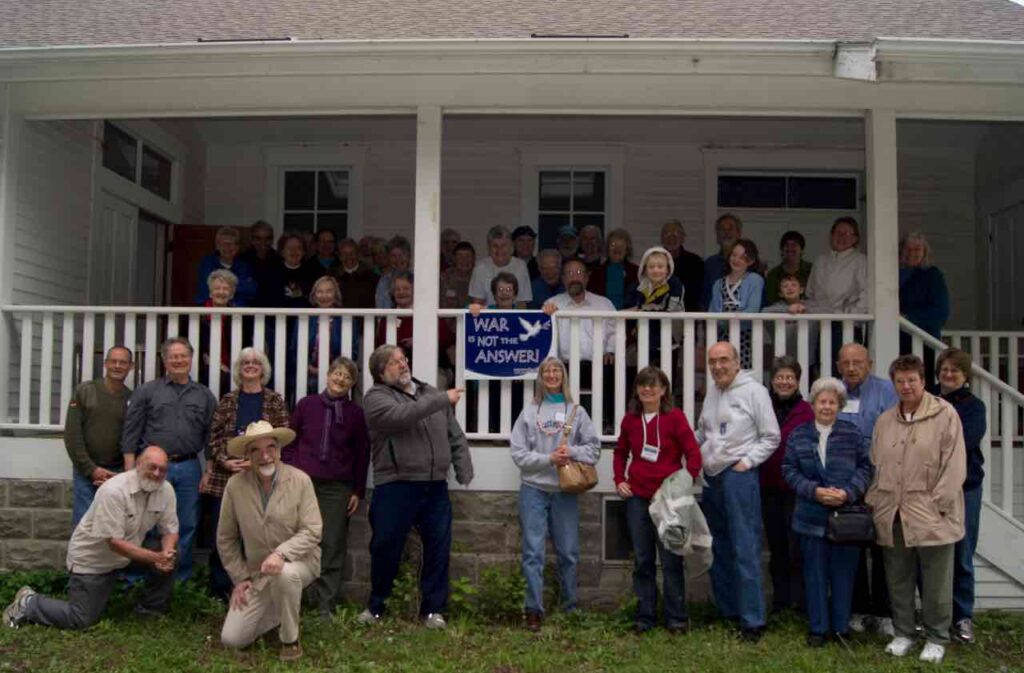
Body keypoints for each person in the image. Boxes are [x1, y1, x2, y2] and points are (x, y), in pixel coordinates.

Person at [357, 345, 473, 628]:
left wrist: (463, 467)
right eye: (394, 362)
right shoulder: (376, 397)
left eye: (403, 359)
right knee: (386, 547)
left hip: (434, 485)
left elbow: (454, 434)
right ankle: (377, 607)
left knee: (438, 548)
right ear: (381, 372)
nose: (402, 364)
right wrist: (442, 399)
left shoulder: (429, 392)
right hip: (396, 486)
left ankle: (433, 610)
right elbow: (403, 416)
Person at [3, 446, 177, 630]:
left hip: (128, 555)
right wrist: (157, 558)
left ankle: (150, 610)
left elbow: (170, 530)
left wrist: (167, 553)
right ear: (139, 464)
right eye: (152, 467)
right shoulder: (114, 491)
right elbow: (114, 543)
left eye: (163, 469)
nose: (157, 473)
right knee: (80, 619)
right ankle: (28, 602)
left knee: (171, 552)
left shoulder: (166, 490)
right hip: (93, 561)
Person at [866, 355, 966, 664]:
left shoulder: (945, 415)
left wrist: (939, 505)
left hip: (932, 514)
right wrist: (875, 501)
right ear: (894, 384)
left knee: (936, 581)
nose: (906, 386)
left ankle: (937, 637)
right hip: (893, 513)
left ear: (923, 381)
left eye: (912, 380)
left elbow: (954, 466)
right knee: (898, 577)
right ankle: (904, 632)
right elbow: (875, 464)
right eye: (900, 381)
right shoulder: (885, 420)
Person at [218, 421, 323, 662]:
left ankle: (290, 641)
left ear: (279, 450)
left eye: (271, 448)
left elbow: (312, 530)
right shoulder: (235, 486)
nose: (265, 456)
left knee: (285, 575)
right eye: (255, 450)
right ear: (247, 454)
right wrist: (240, 577)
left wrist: (282, 553)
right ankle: (281, 607)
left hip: (300, 562)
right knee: (232, 639)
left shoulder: (300, 480)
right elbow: (226, 538)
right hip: (258, 573)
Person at [509, 357, 601, 631]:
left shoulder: (577, 411)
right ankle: (533, 610)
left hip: (565, 491)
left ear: (563, 376)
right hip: (533, 490)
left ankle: (569, 607)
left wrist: (570, 452)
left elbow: (593, 450)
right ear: (540, 377)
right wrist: (549, 459)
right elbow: (518, 454)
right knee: (532, 553)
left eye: (556, 370)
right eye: (546, 371)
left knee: (569, 552)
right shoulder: (528, 413)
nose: (551, 375)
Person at [697, 342, 780, 641]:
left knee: (745, 546)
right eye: (712, 362)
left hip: (738, 476)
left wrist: (747, 462)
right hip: (712, 478)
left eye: (723, 360)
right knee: (719, 546)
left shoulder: (754, 391)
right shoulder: (713, 392)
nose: (717, 367)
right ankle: (729, 610)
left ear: (736, 362)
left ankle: (753, 620)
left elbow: (771, 436)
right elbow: (704, 431)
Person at [782, 377, 873, 646]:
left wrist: (848, 492)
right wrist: (815, 491)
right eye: (822, 401)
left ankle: (841, 627)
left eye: (832, 402)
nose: (827, 406)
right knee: (815, 574)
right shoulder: (799, 434)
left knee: (844, 575)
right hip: (811, 516)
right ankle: (818, 629)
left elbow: (866, 468)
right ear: (813, 404)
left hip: (845, 518)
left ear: (840, 405)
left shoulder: (852, 433)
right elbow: (788, 469)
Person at [121, 337, 217, 581]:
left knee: (185, 525)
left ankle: (178, 580)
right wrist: (130, 470)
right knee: (144, 524)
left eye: (183, 356)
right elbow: (131, 430)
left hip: (188, 468)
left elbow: (211, 437)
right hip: (152, 469)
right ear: (164, 360)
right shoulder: (147, 391)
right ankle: (139, 580)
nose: (179, 361)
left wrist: (208, 470)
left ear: (191, 359)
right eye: (173, 356)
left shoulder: (204, 395)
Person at [614, 366, 702, 634]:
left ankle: (676, 619)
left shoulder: (675, 418)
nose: (647, 389)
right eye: (643, 385)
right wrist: (619, 479)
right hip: (638, 497)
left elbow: (693, 454)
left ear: (664, 391)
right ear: (637, 390)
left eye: (653, 385)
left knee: (671, 558)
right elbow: (620, 453)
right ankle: (645, 617)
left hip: (668, 499)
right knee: (642, 559)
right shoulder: (630, 420)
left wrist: (686, 483)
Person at [286, 357, 370, 620]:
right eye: (337, 373)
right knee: (298, 540)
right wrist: (289, 472)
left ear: (352, 383)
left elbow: (361, 453)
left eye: (346, 376)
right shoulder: (306, 404)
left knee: (332, 543)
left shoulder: (356, 414)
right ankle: (294, 598)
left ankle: (325, 604)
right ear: (327, 375)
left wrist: (357, 490)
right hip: (303, 482)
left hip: (337, 487)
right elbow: (290, 441)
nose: (340, 379)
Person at [202, 348, 289, 601]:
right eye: (245, 363)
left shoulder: (274, 401)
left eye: (256, 363)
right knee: (224, 534)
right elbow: (214, 437)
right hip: (227, 477)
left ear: (263, 369)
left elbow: (282, 439)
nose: (250, 366)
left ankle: (260, 591)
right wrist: (225, 461)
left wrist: (260, 463)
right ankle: (220, 592)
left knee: (257, 535)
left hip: (263, 478)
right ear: (239, 370)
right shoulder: (228, 401)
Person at [836, 342, 898, 636]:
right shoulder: (835, 392)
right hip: (848, 484)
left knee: (883, 547)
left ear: (869, 363)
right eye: (846, 363)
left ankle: (884, 612)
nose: (851, 368)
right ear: (839, 366)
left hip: (880, 481)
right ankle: (859, 609)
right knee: (853, 546)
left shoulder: (886, 391)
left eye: (857, 362)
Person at [933, 348, 986, 644]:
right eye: (945, 369)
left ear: (965, 375)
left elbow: (963, 442)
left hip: (966, 489)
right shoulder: (929, 401)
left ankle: (962, 617)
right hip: (929, 488)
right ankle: (933, 614)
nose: (949, 374)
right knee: (931, 554)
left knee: (962, 554)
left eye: (955, 370)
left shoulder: (974, 406)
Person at [760, 356, 814, 614]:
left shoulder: (807, 411)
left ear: (797, 381)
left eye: (789, 377)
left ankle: (801, 602)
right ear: (772, 381)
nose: (784, 381)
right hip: (768, 487)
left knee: (798, 547)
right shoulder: (763, 407)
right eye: (780, 377)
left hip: (797, 490)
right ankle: (780, 601)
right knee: (777, 545)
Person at [64, 345, 134, 526]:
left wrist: (123, 473)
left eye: (123, 362)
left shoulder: (132, 398)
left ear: (131, 366)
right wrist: (91, 469)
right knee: (84, 525)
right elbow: (73, 435)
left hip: (117, 473)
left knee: (114, 526)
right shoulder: (85, 391)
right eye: (113, 361)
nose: (117, 366)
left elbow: (132, 437)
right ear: (105, 364)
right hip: (86, 472)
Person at [542, 260, 616, 427]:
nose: (574, 277)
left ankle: (606, 423)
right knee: (550, 375)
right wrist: (546, 314)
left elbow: (615, 331)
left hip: (599, 362)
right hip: (563, 365)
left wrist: (610, 351)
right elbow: (543, 334)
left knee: (614, 374)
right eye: (569, 274)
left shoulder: (603, 304)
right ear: (562, 279)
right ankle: (557, 425)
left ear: (587, 278)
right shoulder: (552, 304)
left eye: (578, 273)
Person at [899, 232, 950, 384]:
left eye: (917, 249)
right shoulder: (890, 273)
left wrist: (908, 318)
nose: (911, 253)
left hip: (922, 340)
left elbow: (941, 311)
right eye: (908, 249)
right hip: (893, 339)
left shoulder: (932, 275)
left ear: (925, 252)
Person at [709, 238, 764, 369]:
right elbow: (713, 313)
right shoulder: (718, 283)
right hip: (723, 335)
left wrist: (730, 318)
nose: (736, 260)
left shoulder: (755, 280)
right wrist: (726, 320)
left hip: (746, 337)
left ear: (750, 261)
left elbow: (752, 309)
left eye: (742, 257)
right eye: (734, 255)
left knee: (743, 371)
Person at [625, 246, 685, 362]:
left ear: (668, 269)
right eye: (651, 267)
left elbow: (669, 310)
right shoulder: (640, 287)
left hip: (669, 335)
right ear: (644, 269)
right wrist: (633, 325)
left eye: (660, 266)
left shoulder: (674, 284)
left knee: (667, 374)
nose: (656, 270)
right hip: (645, 337)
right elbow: (632, 306)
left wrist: (642, 309)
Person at [805, 217, 868, 315]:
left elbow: (866, 293)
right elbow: (810, 293)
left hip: (847, 322)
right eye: (838, 232)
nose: (841, 237)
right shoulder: (820, 260)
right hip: (819, 319)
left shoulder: (861, 260)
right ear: (831, 236)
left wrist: (851, 315)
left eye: (847, 233)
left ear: (855, 239)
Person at [297, 276, 346, 393]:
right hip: (307, 376)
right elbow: (294, 350)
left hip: (338, 376)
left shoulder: (346, 319)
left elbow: (352, 353)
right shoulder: (305, 319)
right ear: (314, 296)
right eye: (320, 292)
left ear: (336, 295)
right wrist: (309, 368)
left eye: (329, 291)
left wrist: (333, 370)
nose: (324, 296)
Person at [761, 272, 823, 360]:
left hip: (809, 358)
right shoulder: (777, 307)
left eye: (794, 285)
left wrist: (805, 310)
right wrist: (787, 309)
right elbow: (764, 312)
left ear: (801, 290)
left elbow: (826, 311)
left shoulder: (810, 305)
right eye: (785, 286)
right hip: (782, 358)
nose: (790, 288)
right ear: (780, 293)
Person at [468, 225, 532, 307]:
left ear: (511, 247)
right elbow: (477, 303)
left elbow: (522, 303)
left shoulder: (521, 266)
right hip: (488, 317)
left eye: (503, 245)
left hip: (513, 316)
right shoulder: (480, 268)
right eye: (495, 246)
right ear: (489, 248)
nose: (499, 249)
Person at [198, 268, 239, 393]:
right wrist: (217, 363)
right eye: (217, 288)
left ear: (232, 294)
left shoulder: (239, 316)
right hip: (204, 367)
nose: (221, 292)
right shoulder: (198, 314)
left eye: (226, 289)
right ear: (210, 292)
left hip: (233, 368)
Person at [194, 226, 257, 306]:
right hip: (209, 312)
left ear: (237, 247)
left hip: (237, 312)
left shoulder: (244, 267)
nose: (227, 247)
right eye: (223, 244)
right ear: (217, 246)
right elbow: (205, 290)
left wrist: (219, 287)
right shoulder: (207, 263)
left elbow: (251, 290)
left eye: (231, 244)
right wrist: (235, 286)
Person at [587, 228, 638, 310]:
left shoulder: (636, 272)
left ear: (627, 250)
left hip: (628, 317)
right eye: (613, 244)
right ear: (607, 248)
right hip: (602, 316)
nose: (617, 248)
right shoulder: (597, 272)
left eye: (621, 246)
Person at [660, 219, 704, 312]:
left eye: (676, 234)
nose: (671, 238)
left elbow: (697, 294)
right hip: (658, 316)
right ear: (662, 239)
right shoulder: (654, 262)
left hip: (688, 317)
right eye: (667, 234)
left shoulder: (695, 262)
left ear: (683, 238)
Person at [702, 213, 743, 310]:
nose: (726, 232)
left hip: (744, 321)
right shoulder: (710, 264)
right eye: (722, 229)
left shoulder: (748, 262)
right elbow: (704, 297)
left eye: (730, 229)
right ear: (717, 236)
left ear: (739, 233)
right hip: (714, 321)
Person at [240, 220, 283, 308]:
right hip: (248, 313)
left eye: (267, 238)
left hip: (274, 313)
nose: (263, 242)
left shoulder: (280, 260)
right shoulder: (241, 260)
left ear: (272, 240)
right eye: (258, 238)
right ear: (252, 240)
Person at [764, 231, 813, 306]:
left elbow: (817, 298)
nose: (790, 248)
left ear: (802, 250)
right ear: (782, 251)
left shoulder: (812, 270)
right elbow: (770, 302)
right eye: (787, 245)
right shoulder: (773, 274)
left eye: (794, 245)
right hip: (780, 314)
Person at [333, 237, 379, 309]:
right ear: (339, 256)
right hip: (340, 318)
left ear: (358, 254)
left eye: (352, 253)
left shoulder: (372, 277)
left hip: (365, 319)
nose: (349, 257)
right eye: (344, 254)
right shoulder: (332, 277)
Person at [277, 233, 319, 309]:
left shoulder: (313, 273)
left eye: (299, 248)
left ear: (303, 252)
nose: (294, 251)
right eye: (290, 248)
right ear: (282, 252)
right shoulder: (272, 274)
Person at [375, 236, 413, 308]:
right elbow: (379, 309)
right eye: (393, 256)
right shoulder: (384, 281)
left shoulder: (417, 277)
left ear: (409, 257)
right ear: (389, 258)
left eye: (402, 255)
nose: (398, 259)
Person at [439, 241, 476, 309]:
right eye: (460, 256)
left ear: (474, 259)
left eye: (468, 256)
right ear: (454, 259)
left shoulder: (479, 278)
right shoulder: (443, 278)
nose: (464, 260)